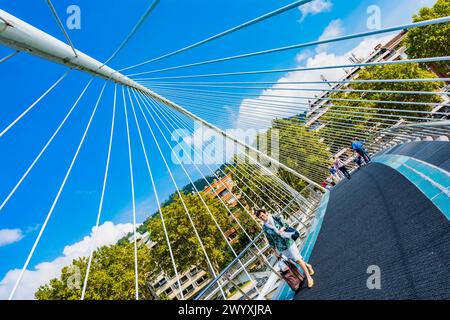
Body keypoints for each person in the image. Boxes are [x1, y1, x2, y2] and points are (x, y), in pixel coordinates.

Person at [255, 208, 315, 289]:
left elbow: (286, 224)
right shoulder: (265, 228)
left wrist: (281, 229)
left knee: (297, 259)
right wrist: (275, 252)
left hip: (288, 241)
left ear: (266, 213)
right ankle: (308, 266)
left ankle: (308, 277)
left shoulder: (275, 218)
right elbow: (270, 240)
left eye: (262, 215)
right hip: (281, 247)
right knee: (294, 260)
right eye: (260, 217)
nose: (262, 217)